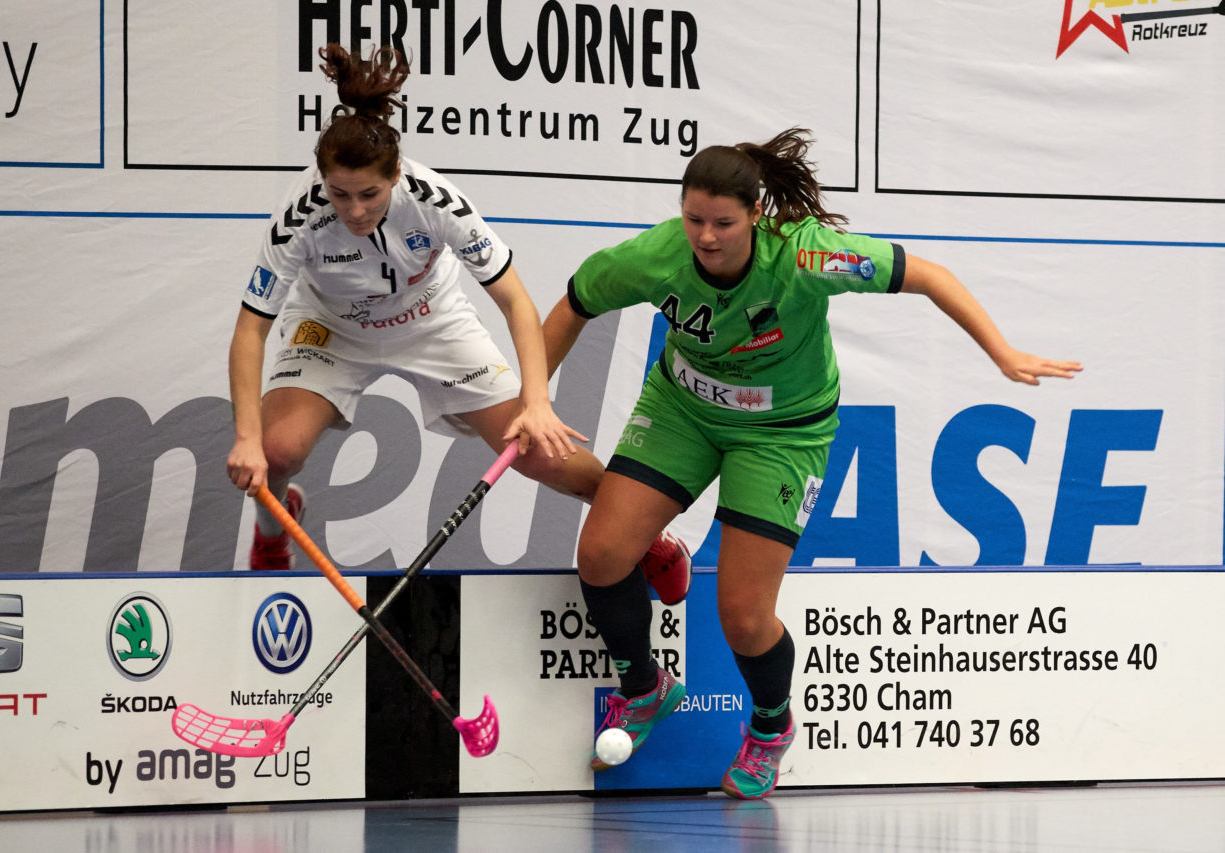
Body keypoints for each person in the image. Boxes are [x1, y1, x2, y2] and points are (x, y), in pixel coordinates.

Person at [541, 127, 1083, 799]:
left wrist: (1001, 352)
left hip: (782, 433)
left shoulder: (809, 259)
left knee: (741, 615)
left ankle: (770, 725)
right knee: (599, 554)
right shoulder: (655, 255)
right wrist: (533, 398)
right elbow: (573, 303)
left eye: (723, 223)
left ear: (757, 217)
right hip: (685, 409)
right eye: (693, 219)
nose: (705, 237)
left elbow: (931, 277)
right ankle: (645, 687)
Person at [225, 43, 689, 601]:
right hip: (332, 327)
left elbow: (517, 301)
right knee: (275, 451)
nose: (353, 210)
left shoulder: (435, 200)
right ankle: (274, 531)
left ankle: (649, 536)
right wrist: (246, 438)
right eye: (339, 194)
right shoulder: (299, 215)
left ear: (395, 174)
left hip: (430, 320)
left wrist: (537, 402)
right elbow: (250, 329)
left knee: (540, 453)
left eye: (369, 194)